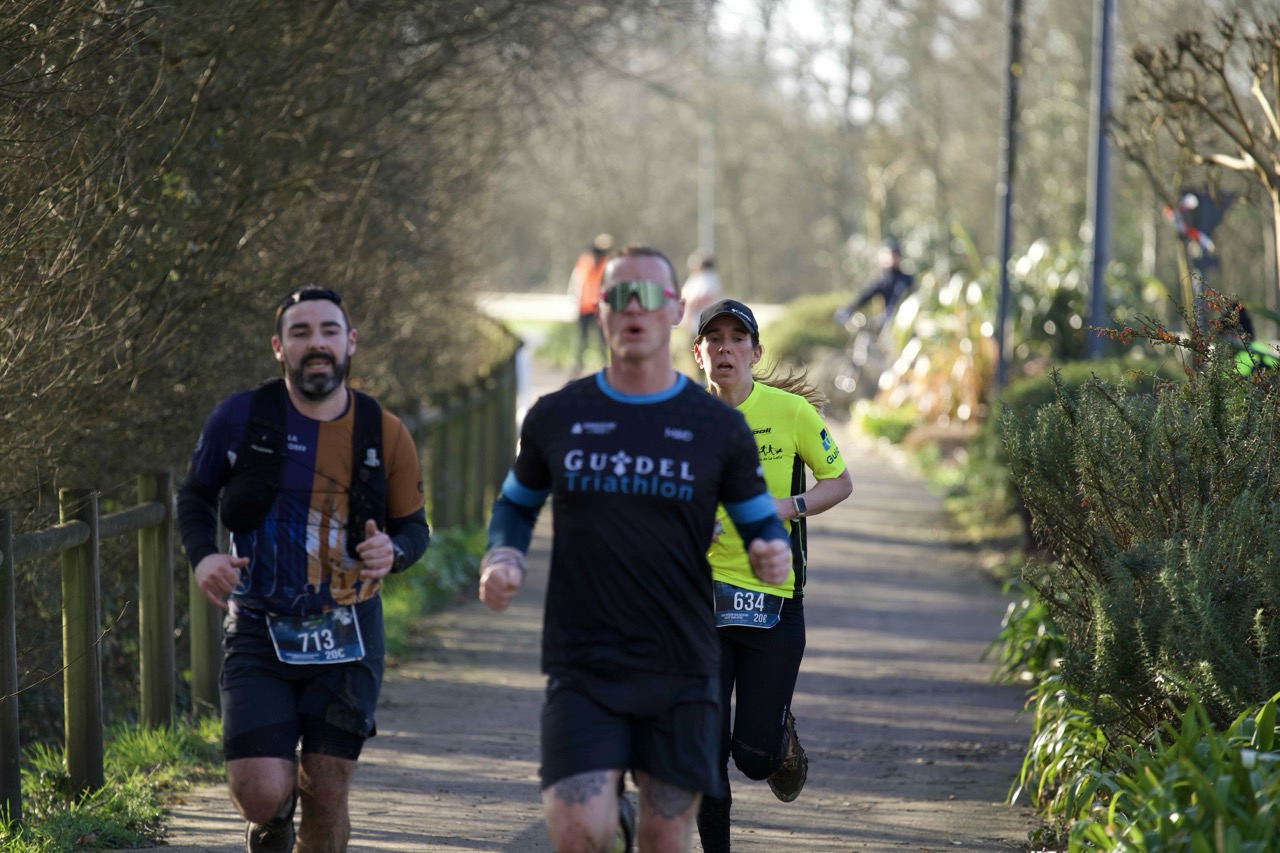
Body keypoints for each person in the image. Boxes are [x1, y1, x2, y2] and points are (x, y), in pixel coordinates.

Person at [479, 245, 793, 853]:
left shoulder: (717, 427)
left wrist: (768, 549)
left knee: (665, 837)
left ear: (675, 310)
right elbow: (516, 504)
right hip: (584, 664)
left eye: (650, 295)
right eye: (619, 295)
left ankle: (628, 827)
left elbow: (758, 517)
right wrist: (503, 554)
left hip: (680, 666)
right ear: (599, 310)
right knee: (577, 830)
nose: (634, 308)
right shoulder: (558, 416)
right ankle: (610, 826)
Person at [176, 285, 430, 853]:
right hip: (259, 629)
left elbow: (415, 528)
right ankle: (270, 824)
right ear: (279, 347)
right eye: (300, 332)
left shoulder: (384, 431)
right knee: (259, 793)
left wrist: (394, 552)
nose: (316, 343)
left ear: (350, 342)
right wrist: (204, 556)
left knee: (327, 792)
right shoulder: (239, 418)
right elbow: (194, 496)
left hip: (348, 633)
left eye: (328, 331)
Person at [690, 299, 853, 852]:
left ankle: (778, 737)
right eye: (714, 339)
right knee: (705, 752)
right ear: (699, 354)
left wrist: (788, 507)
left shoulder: (791, 413)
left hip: (775, 604)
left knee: (753, 758)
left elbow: (839, 481)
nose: (726, 348)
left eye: (737, 339)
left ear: (755, 352)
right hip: (700, 604)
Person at [836, 238, 914, 334]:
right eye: (890, 254)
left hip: (906, 325)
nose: (892, 258)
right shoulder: (881, 280)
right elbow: (863, 297)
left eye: (895, 255)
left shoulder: (908, 279)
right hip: (886, 326)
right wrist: (847, 311)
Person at [568, 233, 614, 375]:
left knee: (602, 340)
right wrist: (574, 301)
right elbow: (576, 282)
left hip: (600, 308)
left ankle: (605, 367)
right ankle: (578, 367)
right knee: (582, 339)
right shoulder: (584, 261)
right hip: (584, 307)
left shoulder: (607, 263)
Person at [680, 251, 721, 345]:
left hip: (701, 321)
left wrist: (689, 316)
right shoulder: (695, 277)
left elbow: (701, 298)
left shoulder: (708, 278)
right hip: (695, 321)